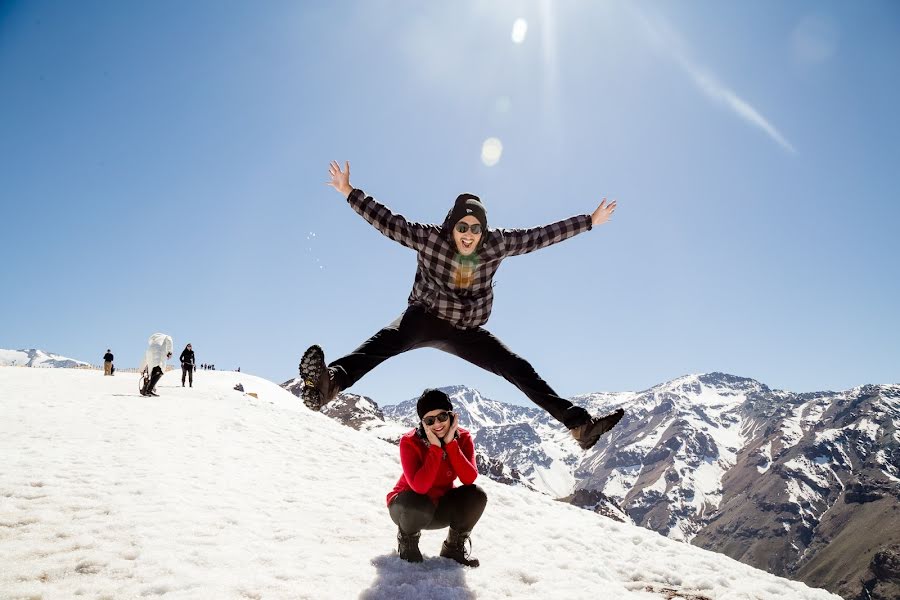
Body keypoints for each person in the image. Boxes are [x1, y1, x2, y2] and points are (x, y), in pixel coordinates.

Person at [298, 160, 624, 450]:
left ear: (483, 231)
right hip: (424, 316)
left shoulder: (497, 243)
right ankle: (328, 385)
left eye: (475, 229)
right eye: (462, 227)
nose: (468, 235)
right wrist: (348, 191)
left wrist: (589, 221)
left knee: (517, 367)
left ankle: (579, 425)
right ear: (451, 226)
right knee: (381, 344)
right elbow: (387, 222)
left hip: (466, 330)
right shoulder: (429, 238)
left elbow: (540, 236)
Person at [387, 389, 487, 566]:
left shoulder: (462, 437)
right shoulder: (409, 442)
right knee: (418, 502)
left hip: (439, 506)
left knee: (476, 495)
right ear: (422, 423)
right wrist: (435, 448)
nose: (437, 424)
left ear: (451, 416)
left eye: (442, 417)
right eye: (430, 420)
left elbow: (469, 478)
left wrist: (451, 444)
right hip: (407, 507)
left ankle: (453, 548)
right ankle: (407, 542)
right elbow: (420, 487)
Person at [139, 333, 173, 397]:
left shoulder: (151, 346)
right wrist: (170, 352)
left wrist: (141, 369)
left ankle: (146, 390)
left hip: (152, 358)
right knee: (159, 372)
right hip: (159, 356)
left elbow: (145, 358)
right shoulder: (165, 337)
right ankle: (149, 390)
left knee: (153, 373)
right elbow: (169, 339)